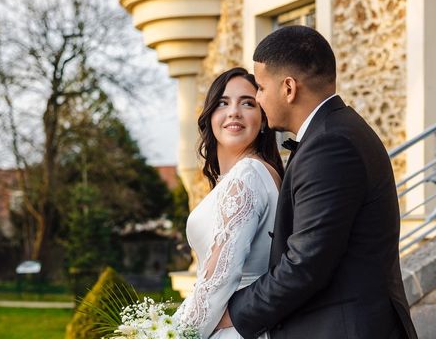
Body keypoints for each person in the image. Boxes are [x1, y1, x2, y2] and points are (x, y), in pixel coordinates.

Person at [219, 26, 418, 338]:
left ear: (288, 88)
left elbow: (306, 263)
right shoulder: (336, 131)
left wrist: (232, 312)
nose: (258, 98)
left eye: (260, 87)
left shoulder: (330, 145)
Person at [175, 67, 284, 339]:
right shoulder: (253, 173)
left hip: (233, 328)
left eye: (247, 103)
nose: (234, 111)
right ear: (210, 115)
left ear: (262, 120)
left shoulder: (247, 174)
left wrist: (173, 335)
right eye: (223, 103)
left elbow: (219, 279)